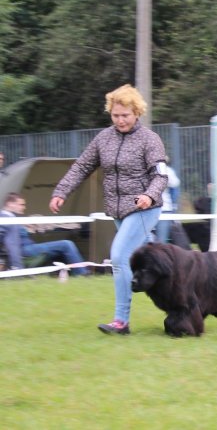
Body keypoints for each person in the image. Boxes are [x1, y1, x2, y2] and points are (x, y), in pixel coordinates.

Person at [49, 84, 168, 335]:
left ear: (137, 112)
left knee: (118, 257)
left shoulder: (150, 140)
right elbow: (81, 167)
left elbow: (160, 176)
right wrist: (61, 191)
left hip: (144, 208)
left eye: (125, 115)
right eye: (115, 115)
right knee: (150, 264)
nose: (120, 120)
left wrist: (149, 195)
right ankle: (188, 301)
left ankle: (120, 321)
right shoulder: (104, 138)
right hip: (118, 211)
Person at [0, 192, 89, 274]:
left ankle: (72, 273)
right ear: (10, 204)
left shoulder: (11, 218)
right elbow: (12, 244)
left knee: (62, 247)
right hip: (23, 251)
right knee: (66, 244)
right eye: (21, 204)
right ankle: (82, 273)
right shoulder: (6, 218)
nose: (24, 207)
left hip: (26, 248)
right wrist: (17, 267)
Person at [155, 157, 181, 244]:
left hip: (163, 209)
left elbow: (175, 184)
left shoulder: (167, 170)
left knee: (160, 242)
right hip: (146, 210)